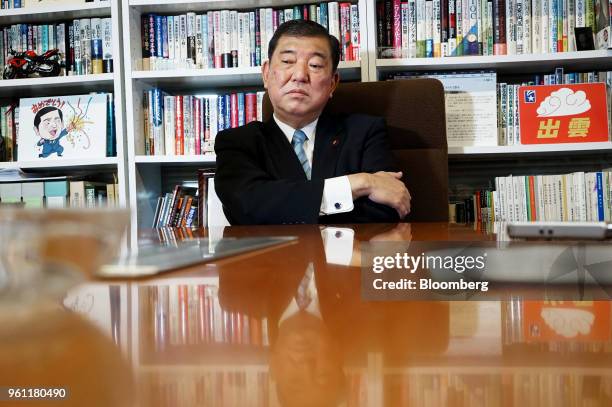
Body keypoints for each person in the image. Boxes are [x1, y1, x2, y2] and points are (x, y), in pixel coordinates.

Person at [214, 19, 411, 225]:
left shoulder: (365, 132)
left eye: (315, 65)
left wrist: (286, 205)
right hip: (273, 258)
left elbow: (387, 209)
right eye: (288, 61)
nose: (299, 75)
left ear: (333, 83)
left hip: (348, 257)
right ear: (266, 74)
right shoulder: (237, 142)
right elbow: (247, 205)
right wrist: (361, 183)